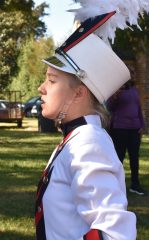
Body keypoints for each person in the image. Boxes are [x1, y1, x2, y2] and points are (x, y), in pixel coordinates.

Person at [35, 12, 136, 240]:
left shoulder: (88, 142)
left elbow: (113, 232)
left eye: (51, 80)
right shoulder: (75, 138)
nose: (41, 88)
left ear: (78, 93)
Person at [107, 70, 145, 196]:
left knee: (135, 157)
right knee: (119, 157)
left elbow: (138, 108)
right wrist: (115, 96)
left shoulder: (134, 90)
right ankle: (115, 185)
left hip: (134, 129)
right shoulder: (116, 90)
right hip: (120, 128)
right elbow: (110, 108)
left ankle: (135, 184)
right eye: (130, 74)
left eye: (133, 74)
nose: (133, 77)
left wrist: (142, 124)